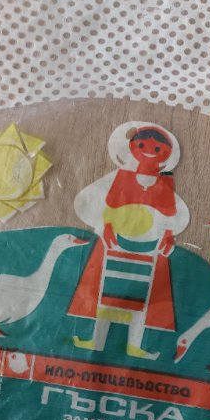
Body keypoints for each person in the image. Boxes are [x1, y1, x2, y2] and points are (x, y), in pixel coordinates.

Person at [68, 121, 189, 360]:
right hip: (116, 244)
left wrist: (167, 236)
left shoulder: (165, 183)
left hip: (148, 249)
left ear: (166, 154)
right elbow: (110, 206)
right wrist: (107, 227)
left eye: (157, 149)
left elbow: (169, 215)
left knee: (142, 300)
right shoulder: (122, 177)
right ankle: (96, 340)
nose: (149, 152)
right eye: (143, 146)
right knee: (106, 292)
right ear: (132, 147)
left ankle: (135, 344)